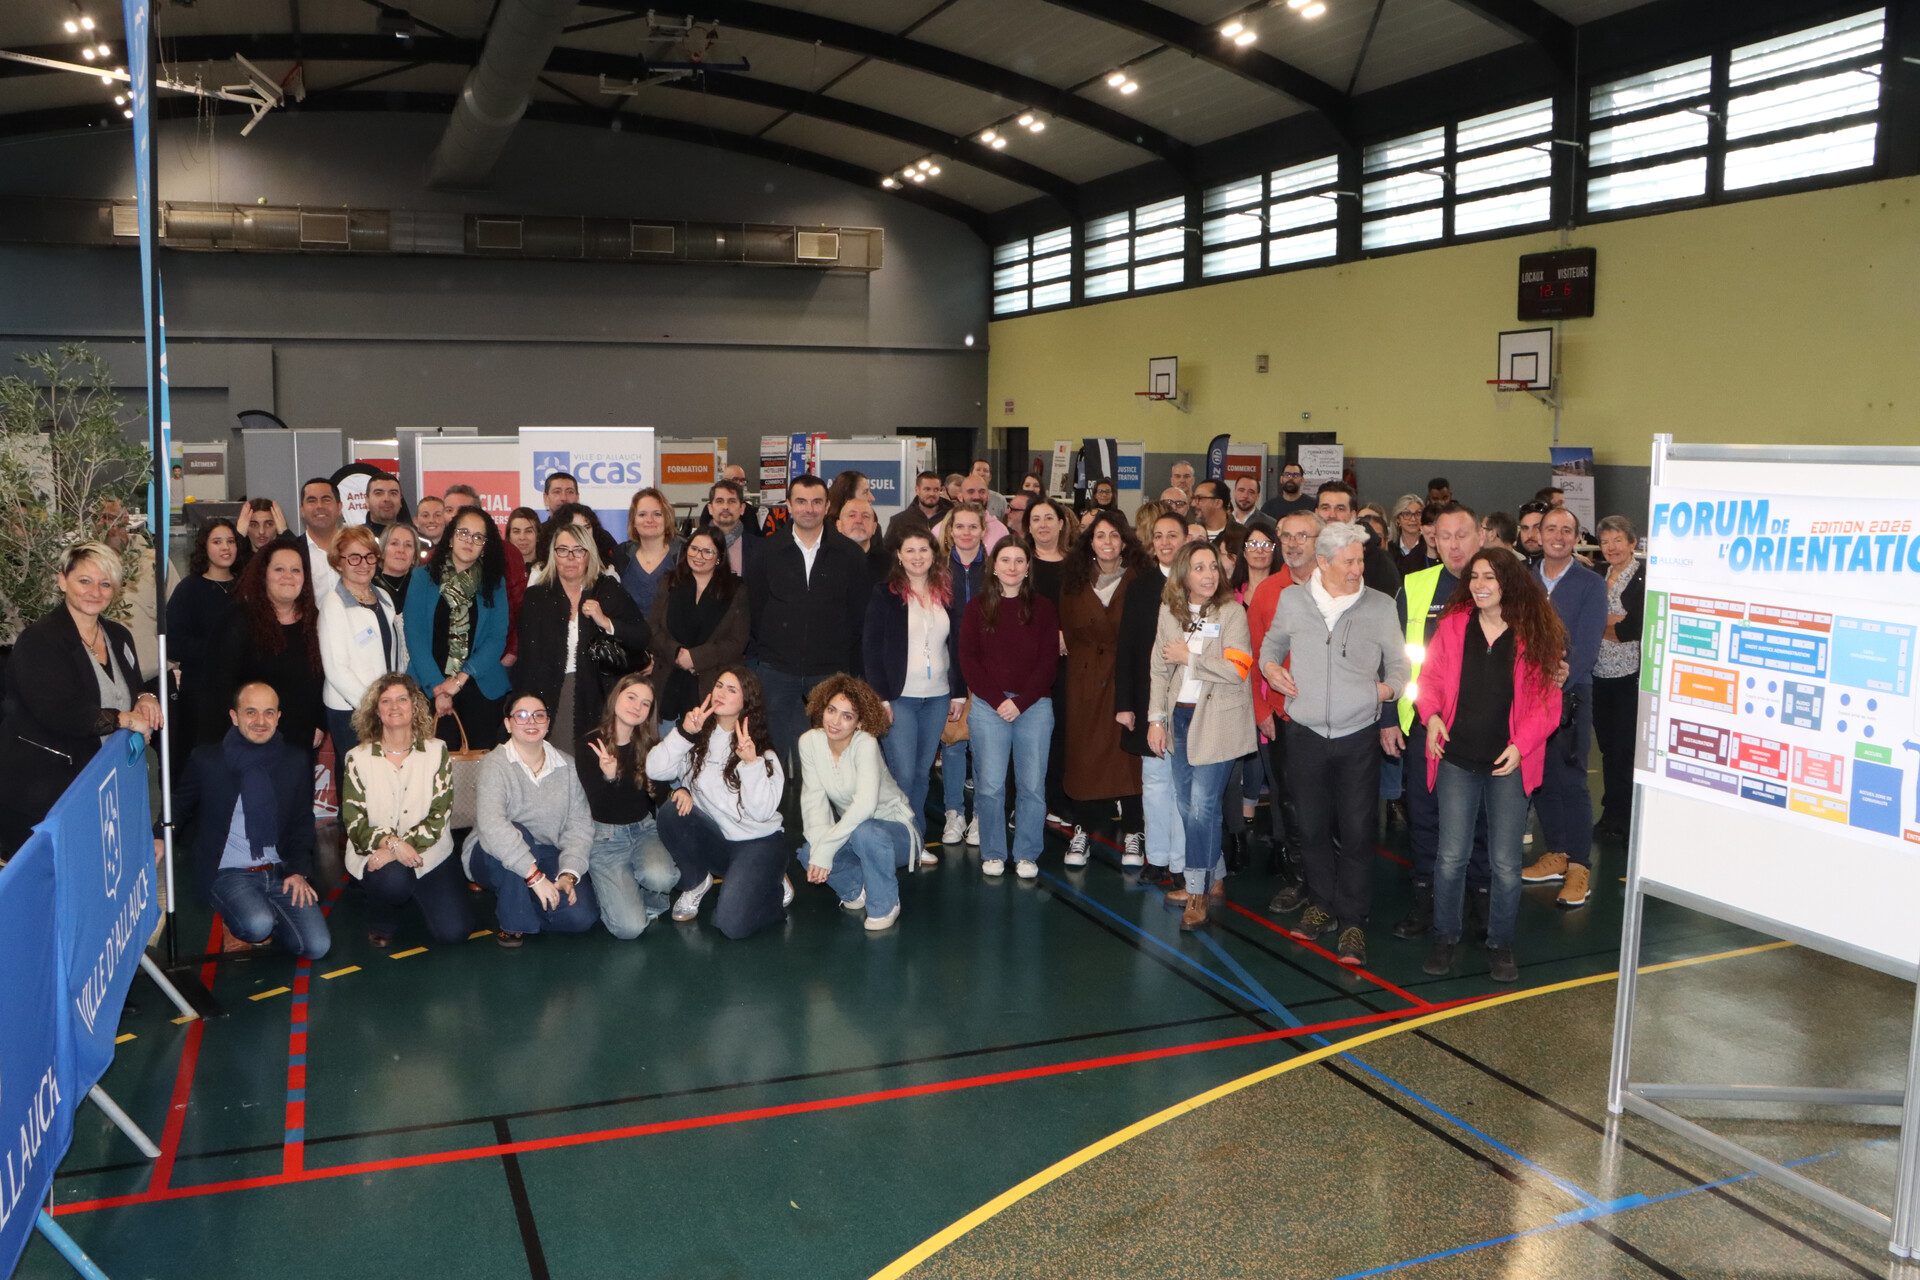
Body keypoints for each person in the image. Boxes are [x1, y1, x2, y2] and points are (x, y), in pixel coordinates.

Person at [1258, 521, 1410, 966]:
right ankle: (1322, 903)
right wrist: (1270, 669)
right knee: (1311, 827)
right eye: (1349, 561)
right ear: (1322, 563)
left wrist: (1387, 692)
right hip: (1304, 734)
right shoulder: (1291, 599)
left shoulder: (1379, 606)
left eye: (1360, 560)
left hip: (1357, 736)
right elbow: (1271, 644)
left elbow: (1401, 664)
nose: (1357, 569)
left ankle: (1353, 922)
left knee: (1359, 831)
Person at [1416, 551, 1565, 983]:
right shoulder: (1453, 627)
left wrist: (1522, 745)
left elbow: (1546, 705)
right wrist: (1432, 716)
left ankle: (1501, 943)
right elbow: (1430, 681)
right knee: (1450, 857)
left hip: (1509, 765)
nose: (1480, 584)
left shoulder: (1536, 634)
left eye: (1491, 577)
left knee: (1504, 863)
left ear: (1510, 583)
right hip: (1456, 760)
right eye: (1475, 577)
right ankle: (1445, 936)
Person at [0, 543, 161, 852]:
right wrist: (124, 719)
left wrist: (146, 696)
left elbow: (132, 684)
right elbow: (60, 711)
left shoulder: (118, 635)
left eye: (105, 584)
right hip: (44, 793)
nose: (95, 591)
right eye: (84, 581)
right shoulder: (39, 640)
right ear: (63, 581)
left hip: (103, 786)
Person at [1388, 503, 1496, 941]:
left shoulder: (1505, 588)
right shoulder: (1414, 588)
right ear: (1434, 540)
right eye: (1444, 536)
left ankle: (1481, 900)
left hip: (1486, 729)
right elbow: (1392, 659)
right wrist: (1388, 719)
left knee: (1482, 820)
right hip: (1424, 725)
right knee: (1426, 817)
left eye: (1462, 535)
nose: (1454, 545)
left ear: (1481, 537)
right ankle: (1427, 901)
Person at [176, 681, 330, 958]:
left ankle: (267, 918)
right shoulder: (208, 760)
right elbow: (179, 804)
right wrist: (161, 835)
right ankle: (248, 920)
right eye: (251, 712)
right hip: (228, 873)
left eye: (269, 713)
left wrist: (298, 871)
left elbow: (301, 822)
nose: (261, 721)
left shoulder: (294, 761)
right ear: (234, 716)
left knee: (317, 947)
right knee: (256, 926)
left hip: (279, 870)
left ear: (278, 717)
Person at [1149, 542, 1257, 929]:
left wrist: (1189, 658)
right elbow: (1159, 671)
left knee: (1201, 808)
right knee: (1187, 805)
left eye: (1213, 567)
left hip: (1218, 720)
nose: (1209, 574)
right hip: (1179, 718)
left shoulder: (1232, 613)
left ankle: (1196, 891)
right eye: (1199, 568)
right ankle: (1216, 877)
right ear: (1183, 574)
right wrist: (1155, 718)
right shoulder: (1169, 612)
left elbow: (1238, 668)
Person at [646, 666, 791, 939]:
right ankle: (696, 883)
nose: (721, 693)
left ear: (746, 701)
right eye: (719, 686)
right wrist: (684, 732)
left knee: (731, 925)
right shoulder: (697, 736)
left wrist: (750, 764)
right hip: (720, 842)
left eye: (731, 689)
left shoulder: (760, 749)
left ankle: (771, 880)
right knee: (671, 811)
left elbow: (761, 813)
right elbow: (654, 769)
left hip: (760, 842)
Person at [744, 474, 872, 773]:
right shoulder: (766, 552)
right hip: (777, 672)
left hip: (830, 673)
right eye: (801, 501)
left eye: (816, 502)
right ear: (788, 505)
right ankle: (782, 817)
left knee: (829, 761)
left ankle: (822, 818)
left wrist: (849, 670)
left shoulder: (850, 555)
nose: (809, 509)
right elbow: (755, 608)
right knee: (774, 757)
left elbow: (858, 615)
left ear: (828, 506)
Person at [341, 673, 471, 947]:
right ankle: (382, 920)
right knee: (392, 882)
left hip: (429, 853)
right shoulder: (358, 758)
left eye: (402, 699)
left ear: (415, 706)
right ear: (376, 711)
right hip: (378, 854)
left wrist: (401, 847)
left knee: (454, 934)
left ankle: (413, 891)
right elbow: (355, 825)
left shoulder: (437, 752)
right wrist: (392, 845)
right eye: (385, 701)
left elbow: (439, 817)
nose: (394, 706)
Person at [1523, 506, 1609, 908]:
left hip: (1571, 695)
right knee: (1540, 776)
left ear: (1576, 538)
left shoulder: (1591, 584)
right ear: (1537, 534)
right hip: (1525, 696)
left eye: (1567, 530)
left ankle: (1578, 867)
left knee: (1572, 780)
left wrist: (1561, 679)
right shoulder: (1523, 579)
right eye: (1550, 528)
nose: (1558, 535)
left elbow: (1589, 644)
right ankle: (1555, 853)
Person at [463, 692, 600, 946]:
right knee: (518, 833)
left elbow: (579, 826)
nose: (531, 722)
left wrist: (568, 874)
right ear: (508, 724)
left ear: (548, 724)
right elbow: (493, 827)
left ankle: (526, 901)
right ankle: (514, 922)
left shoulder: (568, 767)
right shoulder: (495, 764)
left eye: (539, 715)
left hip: (547, 852)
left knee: (582, 918)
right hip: (490, 853)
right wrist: (536, 878)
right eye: (522, 715)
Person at [958, 537, 1059, 879]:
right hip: (990, 707)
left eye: (1019, 560)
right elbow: (968, 660)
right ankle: (994, 852)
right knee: (989, 785)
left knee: (1031, 784)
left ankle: (1027, 853)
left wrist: (1021, 702)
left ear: (1028, 567)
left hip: (1034, 706)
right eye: (1006, 560)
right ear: (994, 565)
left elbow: (1048, 663)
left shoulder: (1043, 608)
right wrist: (999, 701)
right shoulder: (976, 608)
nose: (1013, 567)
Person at [863, 528, 963, 858]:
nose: (917, 556)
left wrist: (959, 693)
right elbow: (871, 648)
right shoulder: (885, 593)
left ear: (934, 555)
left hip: (937, 697)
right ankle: (900, 840)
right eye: (911, 550)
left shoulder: (946, 593)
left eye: (924, 550)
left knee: (921, 773)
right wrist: (880, 698)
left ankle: (915, 839)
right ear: (900, 556)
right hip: (899, 697)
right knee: (902, 773)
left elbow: (958, 646)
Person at [1058, 510, 1150, 865]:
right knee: (1084, 756)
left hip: (1127, 677)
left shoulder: (1141, 579)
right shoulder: (1074, 579)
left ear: (1125, 540)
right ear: (1090, 541)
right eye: (1100, 535)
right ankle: (1082, 831)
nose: (1108, 542)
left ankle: (1133, 832)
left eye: (1114, 535)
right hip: (1083, 680)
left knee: (1128, 758)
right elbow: (1066, 625)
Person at [797, 675, 922, 930]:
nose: (835, 721)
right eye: (832, 710)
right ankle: (856, 888)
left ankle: (885, 904)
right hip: (855, 833)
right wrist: (821, 850)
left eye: (847, 716)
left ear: (860, 722)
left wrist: (828, 848)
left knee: (866, 832)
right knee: (809, 852)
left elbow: (865, 806)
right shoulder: (809, 742)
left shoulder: (865, 743)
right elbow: (813, 803)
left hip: (896, 832)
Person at [514, 521, 649, 751]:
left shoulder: (607, 589)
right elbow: (526, 660)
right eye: (563, 550)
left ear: (590, 555)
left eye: (579, 551)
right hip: (549, 693)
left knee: (596, 764)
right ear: (553, 554)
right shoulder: (536, 597)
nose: (570, 557)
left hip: (601, 693)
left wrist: (605, 621)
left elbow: (642, 636)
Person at [1248, 512, 1319, 902]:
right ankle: (1300, 879)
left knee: (1328, 801)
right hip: (1282, 718)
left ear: (1318, 542)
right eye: (1286, 537)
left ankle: (1329, 878)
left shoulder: (1337, 586)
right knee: (1288, 800)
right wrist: (1262, 711)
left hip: (1331, 719)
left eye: (1302, 537)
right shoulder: (1266, 592)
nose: (1293, 544)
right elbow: (1253, 658)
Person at [201, 539, 326, 756]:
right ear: (263, 575)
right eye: (279, 569)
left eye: (295, 570)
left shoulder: (315, 621)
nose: (288, 576)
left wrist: (320, 722)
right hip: (249, 740)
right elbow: (218, 685)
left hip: (300, 741)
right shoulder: (237, 620)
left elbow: (322, 679)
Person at [577, 673, 679, 939]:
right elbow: (593, 804)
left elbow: (659, 793)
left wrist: (680, 793)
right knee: (629, 929)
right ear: (615, 699)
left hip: (643, 830)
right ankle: (616, 889)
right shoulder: (591, 744)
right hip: (604, 837)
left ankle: (640, 891)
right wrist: (609, 777)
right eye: (631, 697)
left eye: (645, 703)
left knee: (662, 878)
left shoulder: (649, 745)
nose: (637, 706)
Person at [1117, 512, 1190, 876]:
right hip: (1151, 702)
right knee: (1155, 783)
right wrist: (1126, 705)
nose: (1165, 542)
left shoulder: (1200, 584)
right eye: (1158, 536)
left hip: (1191, 700)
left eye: (1172, 535)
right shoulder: (1140, 586)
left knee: (1182, 786)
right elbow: (1127, 647)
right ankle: (1157, 858)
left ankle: (1180, 862)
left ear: (1186, 538)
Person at [406, 505, 512, 752]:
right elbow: (415, 636)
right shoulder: (423, 577)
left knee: (479, 774)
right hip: (430, 686)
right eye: (463, 532)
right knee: (433, 772)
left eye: (478, 537)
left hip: (479, 688)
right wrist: (439, 689)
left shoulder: (494, 584)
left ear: (485, 546)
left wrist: (459, 680)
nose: (469, 541)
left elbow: (497, 639)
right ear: (451, 536)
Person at [317, 524, 406, 756]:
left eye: (369, 557)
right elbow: (337, 670)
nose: (364, 564)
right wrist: (375, 707)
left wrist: (394, 700)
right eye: (354, 558)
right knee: (355, 779)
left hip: (386, 706)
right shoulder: (333, 605)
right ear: (339, 562)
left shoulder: (383, 596)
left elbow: (395, 652)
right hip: (352, 710)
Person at [648, 526, 750, 724]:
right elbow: (652, 628)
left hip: (711, 684)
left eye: (708, 551)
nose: (699, 556)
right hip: (668, 679)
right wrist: (677, 653)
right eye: (694, 549)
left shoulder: (736, 590)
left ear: (719, 557)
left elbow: (737, 641)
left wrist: (695, 658)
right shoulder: (669, 582)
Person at [936, 503, 990, 845]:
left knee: (986, 746)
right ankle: (953, 812)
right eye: (960, 527)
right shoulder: (937, 570)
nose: (967, 533)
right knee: (953, 743)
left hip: (988, 669)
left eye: (973, 526)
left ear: (983, 530)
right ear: (950, 531)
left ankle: (983, 814)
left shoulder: (997, 568)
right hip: (948, 669)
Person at [1591, 515, 1646, 841]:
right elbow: (1593, 619)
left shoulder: (1643, 578)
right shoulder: (1598, 574)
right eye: (1605, 541)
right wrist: (1609, 622)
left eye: (1617, 540)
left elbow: (1631, 629)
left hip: (1629, 676)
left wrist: (1607, 624)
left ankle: (1622, 819)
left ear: (1632, 543)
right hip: (1599, 675)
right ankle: (1611, 812)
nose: (1611, 547)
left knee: (1624, 751)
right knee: (1607, 749)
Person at [168, 518, 241, 757]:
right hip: (201, 695)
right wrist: (218, 648)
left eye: (230, 541)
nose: (225, 547)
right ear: (204, 547)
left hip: (242, 691)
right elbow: (174, 644)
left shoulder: (247, 586)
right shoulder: (188, 589)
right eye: (217, 541)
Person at [616, 487, 682, 617]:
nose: (649, 520)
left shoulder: (684, 554)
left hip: (673, 636)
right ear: (633, 521)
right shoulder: (621, 556)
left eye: (657, 514)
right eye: (642, 514)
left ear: (667, 518)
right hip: (631, 635)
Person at [704, 479, 763, 577]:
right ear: (710, 508)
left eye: (732, 501)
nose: (725, 507)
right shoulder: (693, 547)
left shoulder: (761, 549)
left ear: (742, 508)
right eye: (719, 501)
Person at [298, 477, 344, 600]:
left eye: (326, 500)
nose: (319, 506)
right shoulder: (292, 552)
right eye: (312, 501)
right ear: (302, 510)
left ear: (339, 507)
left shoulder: (356, 549)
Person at [1026, 497, 1074, 604]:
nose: (1043, 525)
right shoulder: (1021, 561)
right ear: (1029, 527)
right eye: (1036, 519)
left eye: (1049, 518)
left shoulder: (1076, 561)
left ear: (1060, 524)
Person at [886, 471, 952, 544]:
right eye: (927, 489)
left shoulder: (951, 517)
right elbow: (888, 551)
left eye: (936, 489)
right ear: (917, 490)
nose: (932, 493)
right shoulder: (899, 521)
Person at [836, 496, 890, 581]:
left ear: (874, 527)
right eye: (852, 515)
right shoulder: (824, 561)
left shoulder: (889, 564)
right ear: (839, 525)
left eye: (865, 516)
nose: (859, 521)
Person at [374, 523, 420, 613]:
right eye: (394, 543)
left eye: (408, 545)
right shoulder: (370, 587)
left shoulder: (422, 586)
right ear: (382, 552)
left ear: (414, 557)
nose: (401, 550)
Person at [957, 472, 1012, 545]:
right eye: (971, 492)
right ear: (960, 496)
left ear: (988, 496)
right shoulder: (944, 527)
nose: (977, 496)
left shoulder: (1001, 531)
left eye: (982, 492)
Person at [1390, 495, 1432, 577]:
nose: (1413, 519)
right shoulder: (1389, 550)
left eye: (1418, 514)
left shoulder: (1430, 547)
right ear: (1398, 519)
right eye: (1407, 514)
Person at [1515, 501, 1549, 565]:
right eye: (1525, 528)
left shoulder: (1566, 567)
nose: (1530, 535)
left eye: (1537, 527)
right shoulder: (1516, 570)